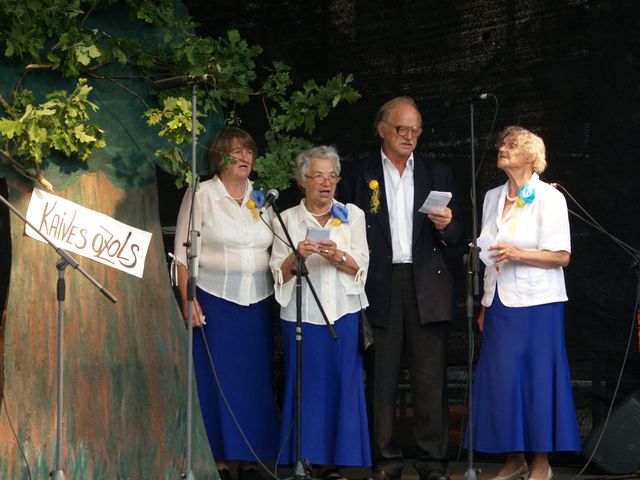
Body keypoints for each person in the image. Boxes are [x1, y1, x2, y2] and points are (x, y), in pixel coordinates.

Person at [339, 96, 464, 480]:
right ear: (382, 129)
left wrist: (447, 225)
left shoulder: (437, 172)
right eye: (401, 129)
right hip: (379, 280)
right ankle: (386, 460)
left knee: (430, 379)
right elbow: (344, 230)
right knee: (382, 376)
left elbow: (459, 234)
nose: (409, 136)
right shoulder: (358, 174)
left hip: (427, 281)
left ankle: (432, 462)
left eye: (415, 130)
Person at [467, 126, 580, 480]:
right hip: (500, 303)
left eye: (512, 145)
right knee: (503, 382)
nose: (503, 148)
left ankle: (542, 462)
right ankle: (513, 459)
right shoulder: (492, 197)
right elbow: (490, 255)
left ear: (532, 156)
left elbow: (561, 256)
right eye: (502, 144)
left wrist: (518, 253)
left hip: (539, 304)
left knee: (537, 382)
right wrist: (486, 304)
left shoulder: (550, 197)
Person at [173, 127, 279, 480]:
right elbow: (182, 256)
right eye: (238, 152)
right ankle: (216, 459)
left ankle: (250, 459)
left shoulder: (261, 198)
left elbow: (278, 247)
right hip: (214, 301)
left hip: (258, 302)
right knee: (215, 383)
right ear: (221, 157)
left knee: (253, 381)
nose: (245, 157)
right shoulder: (201, 194)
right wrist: (188, 300)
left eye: (249, 152)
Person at [270, 145, 371, 479]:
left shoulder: (352, 214)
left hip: (343, 314)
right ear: (303, 181)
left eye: (332, 177)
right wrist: (297, 256)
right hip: (303, 317)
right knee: (307, 388)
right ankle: (305, 460)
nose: (326, 183)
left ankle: (334, 465)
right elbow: (278, 274)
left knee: (343, 386)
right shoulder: (286, 219)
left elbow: (362, 266)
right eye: (318, 176)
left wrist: (336, 256)